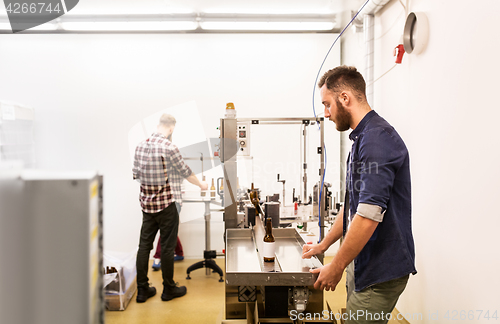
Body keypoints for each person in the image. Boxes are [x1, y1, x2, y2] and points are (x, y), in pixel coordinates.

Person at [302, 66, 416, 323]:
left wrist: (337, 266)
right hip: (364, 261)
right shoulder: (362, 138)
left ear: (345, 98)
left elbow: (367, 216)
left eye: (327, 104)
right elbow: (352, 205)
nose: (326, 113)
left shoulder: (377, 140)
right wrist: (324, 245)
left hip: (380, 269)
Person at [133, 113, 208, 303]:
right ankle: (168, 289)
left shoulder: (140, 146)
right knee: (167, 248)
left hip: (146, 205)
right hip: (167, 205)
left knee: (144, 247)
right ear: (171, 128)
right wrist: (201, 185)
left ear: (158, 125)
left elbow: (136, 174)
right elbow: (186, 172)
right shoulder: (169, 147)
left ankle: (142, 290)